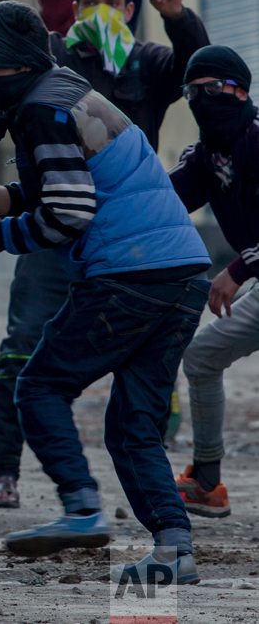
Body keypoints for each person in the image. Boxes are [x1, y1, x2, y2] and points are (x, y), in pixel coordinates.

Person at [0, 0, 210, 584]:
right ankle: (174, 552)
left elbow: (70, 214)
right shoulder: (67, 92)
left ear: (12, 67)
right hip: (183, 274)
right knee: (133, 425)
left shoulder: (41, 110)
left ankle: (81, 508)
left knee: (39, 386)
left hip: (130, 275)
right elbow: (52, 192)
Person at [170, 47, 259, 519]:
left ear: (240, 92)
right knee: (202, 357)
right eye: (192, 92)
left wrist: (236, 270)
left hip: (252, 275)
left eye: (212, 90)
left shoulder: (256, 140)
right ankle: (207, 482)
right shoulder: (206, 158)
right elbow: (160, 203)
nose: (201, 99)